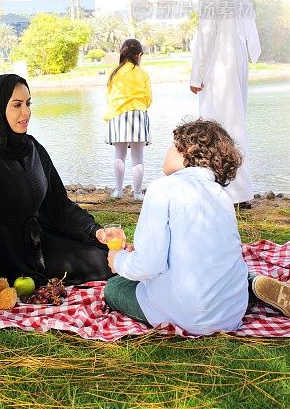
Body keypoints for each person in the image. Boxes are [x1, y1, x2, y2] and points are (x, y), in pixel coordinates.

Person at [103, 119, 290, 335]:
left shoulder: (161, 189)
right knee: (222, 270)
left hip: (187, 315)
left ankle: (250, 284)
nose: (168, 149)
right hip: (231, 314)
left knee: (115, 287)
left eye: (174, 144)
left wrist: (117, 259)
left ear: (188, 150)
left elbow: (149, 265)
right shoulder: (222, 195)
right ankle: (251, 284)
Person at [0, 73, 112, 286]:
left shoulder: (31, 148)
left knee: (107, 259)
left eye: (28, 103)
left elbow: (59, 207)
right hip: (3, 259)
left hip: (41, 246)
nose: (26, 112)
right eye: (16, 105)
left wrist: (95, 231)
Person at [190, 0, 261, 207]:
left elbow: (206, 32)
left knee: (214, 127)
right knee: (235, 124)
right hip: (238, 64)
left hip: (219, 67)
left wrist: (197, 75)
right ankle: (240, 192)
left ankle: (223, 191)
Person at [104, 39, 152, 200]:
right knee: (138, 157)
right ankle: (137, 193)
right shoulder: (142, 73)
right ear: (139, 55)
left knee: (119, 155)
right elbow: (148, 99)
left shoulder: (115, 73)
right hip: (138, 114)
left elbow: (109, 98)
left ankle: (118, 191)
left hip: (118, 115)